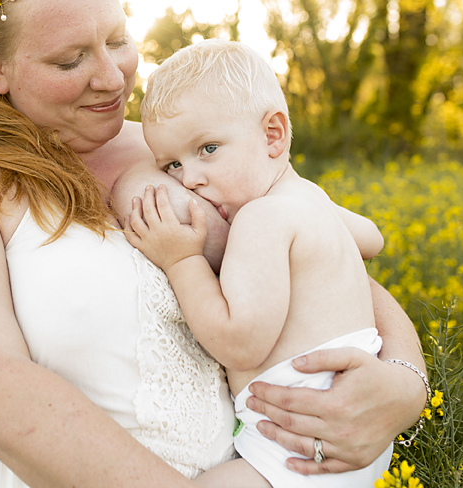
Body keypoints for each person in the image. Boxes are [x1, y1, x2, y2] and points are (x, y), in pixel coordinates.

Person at [0, 0, 428, 488]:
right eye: (69, 61)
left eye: (116, 41)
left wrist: (404, 386)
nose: (111, 78)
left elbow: (323, 257)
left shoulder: (187, 150)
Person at [122, 40, 394, 487]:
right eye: (171, 164)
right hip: (344, 432)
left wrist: (181, 260)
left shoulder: (260, 219)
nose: (189, 179)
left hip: (292, 448)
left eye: (207, 149)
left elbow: (238, 343)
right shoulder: (308, 198)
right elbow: (373, 238)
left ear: (273, 134)